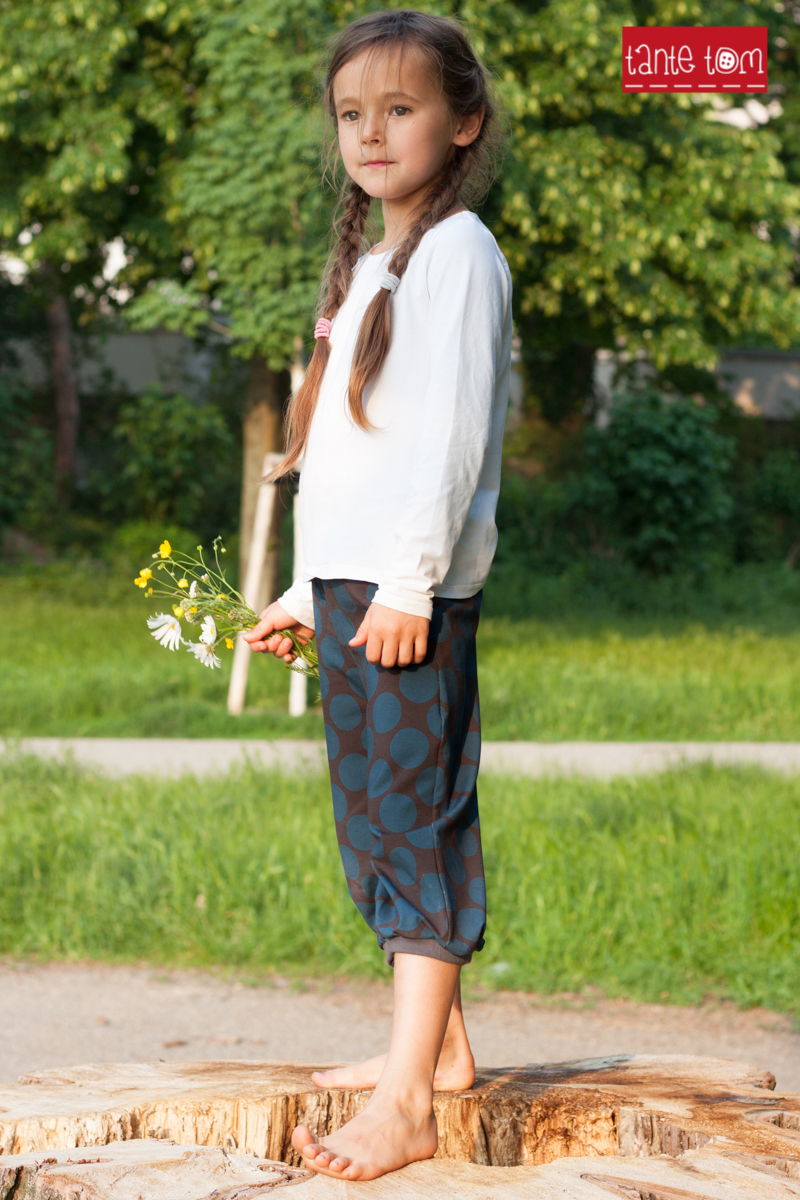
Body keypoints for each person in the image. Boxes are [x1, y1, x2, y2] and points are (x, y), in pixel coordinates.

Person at [243, 8, 512, 1181]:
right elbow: (349, 458)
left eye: (399, 109)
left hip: (410, 595)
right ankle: (435, 1049)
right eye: (352, 113)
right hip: (356, 589)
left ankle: (405, 1104)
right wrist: (309, 591)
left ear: (463, 123)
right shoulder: (369, 268)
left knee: (416, 818)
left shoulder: (458, 252)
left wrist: (408, 584)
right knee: (370, 822)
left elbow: (448, 438)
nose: (370, 132)